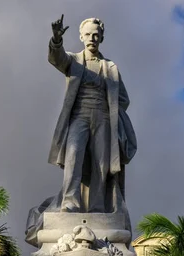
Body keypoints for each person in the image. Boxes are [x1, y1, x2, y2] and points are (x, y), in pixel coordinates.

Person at [48, 15, 137, 213]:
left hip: (103, 119)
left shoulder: (111, 67)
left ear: (101, 38)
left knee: (101, 163)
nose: (92, 38)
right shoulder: (73, 61)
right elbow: (57, 58)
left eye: (96, 35)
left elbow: (123, 98)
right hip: (79, 115)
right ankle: (70, 202)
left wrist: (110, 109)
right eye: (88, 34)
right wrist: (56, 40)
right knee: (73, 157)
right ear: (81, 37)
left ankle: (97, 206)